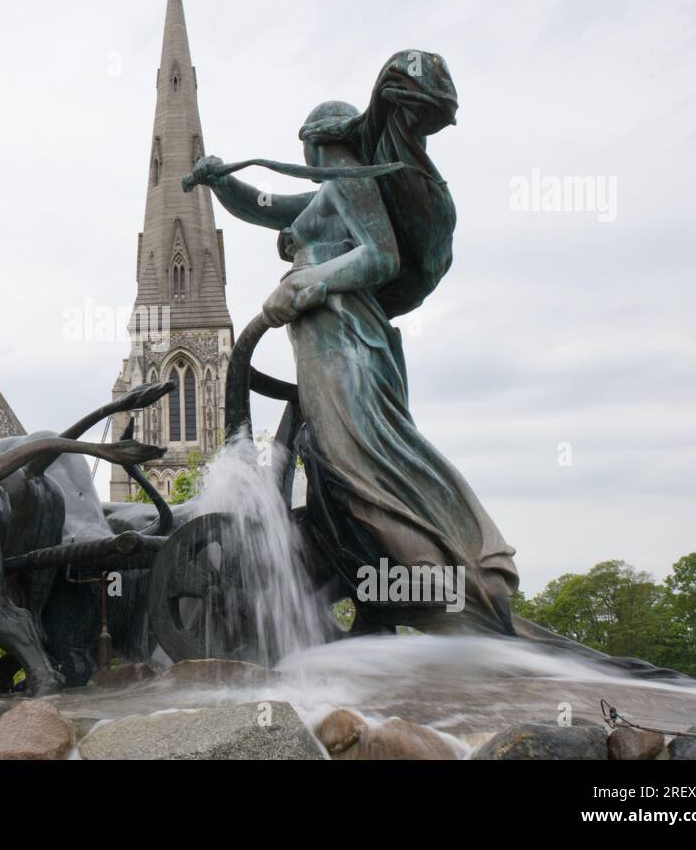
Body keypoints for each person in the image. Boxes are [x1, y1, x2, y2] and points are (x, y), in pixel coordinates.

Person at [189, 51, 520, 637]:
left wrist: (309, 281)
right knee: (328, 461)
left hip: (345, 336)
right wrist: (221, 182)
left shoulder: (348, 176)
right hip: (324, 339)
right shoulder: (328, 193)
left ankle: (443, 578)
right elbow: (267, 208)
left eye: (310, 152)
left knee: (360, 464)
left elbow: (382, 255)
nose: (310, 164)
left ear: (324, 145)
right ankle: (373, 590)